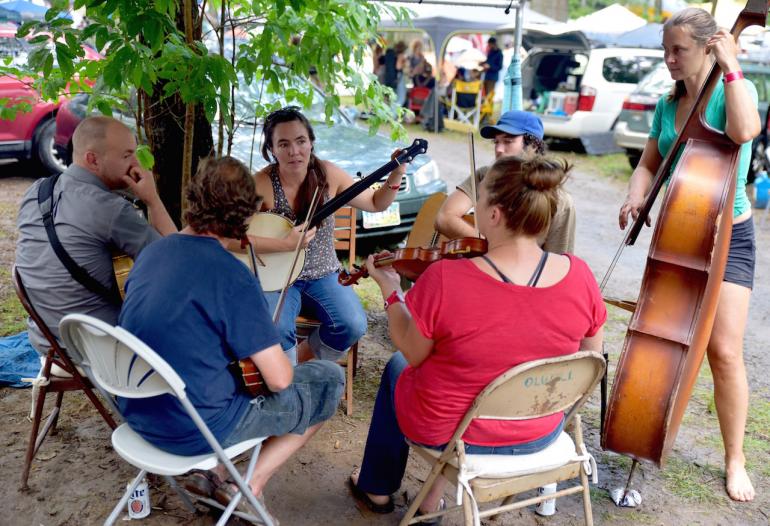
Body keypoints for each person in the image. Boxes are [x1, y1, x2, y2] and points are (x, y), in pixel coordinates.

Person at [348, 154, 606, 518]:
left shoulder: (446, 278)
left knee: (398, 366)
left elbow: (414, 351)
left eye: (480, 200)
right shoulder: (581, 276)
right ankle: (427, 498)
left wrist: (391, 292)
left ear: (495, 215)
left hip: (456, 437)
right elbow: (589, 361)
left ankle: (376, 488)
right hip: (540, 431)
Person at [117, 156, 344, 519]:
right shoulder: (230, 276)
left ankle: (216, 471)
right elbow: (280, 379)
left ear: (194, 199)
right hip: (195, 428)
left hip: (138, 415)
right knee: (330, 379)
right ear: (246, 218)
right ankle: (248, 485)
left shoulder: (153, 252)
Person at [618, 8, 759, 503]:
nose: (669, 58)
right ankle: (645, 424)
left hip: (729, 237)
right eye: (665, 50)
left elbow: (744, 132)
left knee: (723, 351)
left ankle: (735, 458)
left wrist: (733, 64)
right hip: (679, 237)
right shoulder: (665, 103)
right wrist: (636, 195)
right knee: (663, 338)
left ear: (707, 46)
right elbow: (647, 164)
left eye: (678, 49)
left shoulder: (729, 92)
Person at [251, 106, 407, 364]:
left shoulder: (328, 174)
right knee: (275, 329)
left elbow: (376, 203)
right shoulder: (262, 183)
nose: (294, 151)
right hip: (279, 278)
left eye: (301, 141)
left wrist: (396, 173)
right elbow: (232, 238)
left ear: (311, 142)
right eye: (283, 144)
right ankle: (286, 383)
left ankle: (301, 363)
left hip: (324, 274)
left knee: (352, 324)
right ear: (272, 149)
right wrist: (283, 243)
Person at [15, 115, 176, 359]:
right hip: (97, 346)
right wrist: (152, 199)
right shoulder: (110, 209)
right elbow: (176, 260)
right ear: (93, 160)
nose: (136, 163)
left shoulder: (36, 191)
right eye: (126, 155)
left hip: (46, 340)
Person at [434, 110, 576, 254]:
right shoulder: (484, 175)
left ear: (533, 145)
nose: (499, 149)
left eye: (508, 141)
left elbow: (557, 260)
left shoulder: (561, 200)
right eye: (496, 142)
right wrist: (491, 247)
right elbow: (444, 217)